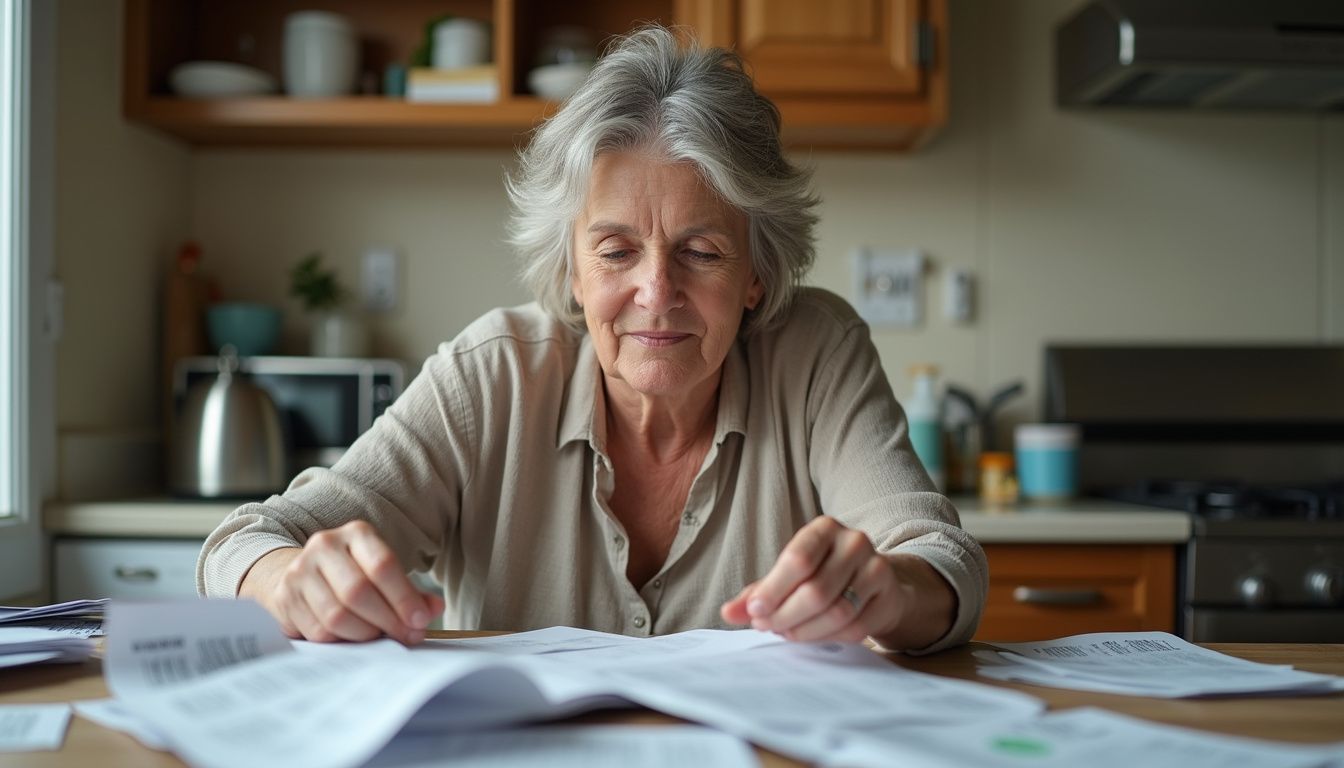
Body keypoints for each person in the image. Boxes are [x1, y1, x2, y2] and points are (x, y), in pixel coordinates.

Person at [197, 25, 986, 654]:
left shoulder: (817, 352)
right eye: (614, 251)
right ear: (572, 271)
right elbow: (248, 540)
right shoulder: (493, 374)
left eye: (702, 252)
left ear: (756, 272)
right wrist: (290, 581)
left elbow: (941, 559)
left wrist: (890, 588)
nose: (656, 292)